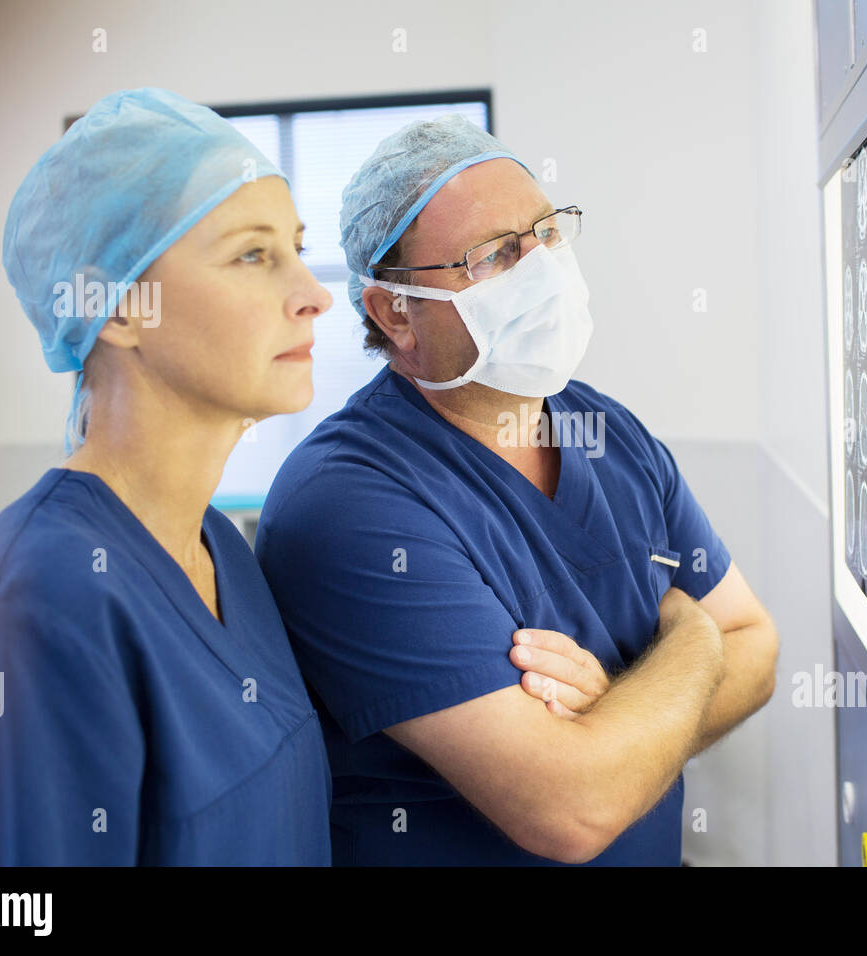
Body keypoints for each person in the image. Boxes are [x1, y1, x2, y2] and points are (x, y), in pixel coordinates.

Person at [255, 114, 779, 865]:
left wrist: (619, 719)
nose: (543, 270)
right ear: (394, 312)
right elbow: (574, 806)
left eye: (548, 232)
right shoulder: (348, 503)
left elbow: (756, 648)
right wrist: (691, 639)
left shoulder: (606, 430)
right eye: (496, 255)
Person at [0, 87, 335, 865]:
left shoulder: (222, 555)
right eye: (253, 254)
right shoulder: (32, 613)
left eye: (298, 249)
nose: (312, 295)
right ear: (118, 307)